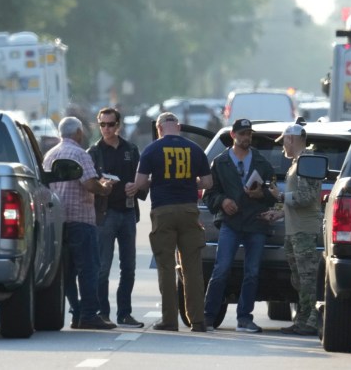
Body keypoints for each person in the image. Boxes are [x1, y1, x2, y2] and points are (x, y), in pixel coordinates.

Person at [129, 112, 213, 332]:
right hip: (189, 211)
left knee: (166, 266)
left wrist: (158, 182)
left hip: (163, 211)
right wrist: (187, 183)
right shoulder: (195, 149)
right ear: (178, 126)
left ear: (159, 128)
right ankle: (197, 320)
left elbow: (139, 183)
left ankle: (169, 320)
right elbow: (207, 182)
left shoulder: (151, 150)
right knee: (192, 267)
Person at [202, 118, 277, 333]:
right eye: (242, 134)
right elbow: (209, 193)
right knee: (221, 269)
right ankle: (208, 316)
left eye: (249, 134)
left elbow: (273, 195)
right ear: (233, 136)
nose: (246, 138)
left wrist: (260, 193)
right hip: (231, 223)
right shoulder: (220, 161)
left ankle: (244, 318)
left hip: (256, 223)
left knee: (252, 272)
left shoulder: (262, 163)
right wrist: (223, 202)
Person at [43, 116, 117, 330]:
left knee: (67, 271)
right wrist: (105, 188)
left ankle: (76, 311)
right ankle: (89, 314)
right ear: (77, 133)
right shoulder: (80, 154)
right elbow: (90, 184)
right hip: (81, 220)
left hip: (58, 221)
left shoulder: (50, 155)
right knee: (89, 269)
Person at [87, 107, 147, 328]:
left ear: (118, 125)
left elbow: (143, 179)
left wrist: (137, 187)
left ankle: (125, 313)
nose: (107, 129)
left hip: (128, 212)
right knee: (102, 267)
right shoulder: (94, 152)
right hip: (105, 214)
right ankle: (103, 313)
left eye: (110, 124)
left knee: (128, 267)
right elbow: (86, 183)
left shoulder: (130, 149)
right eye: (102, 125)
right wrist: (101, 186)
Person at [264, 122, 322, 336]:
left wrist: (279, 197)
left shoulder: (307, 162)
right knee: (299, 278)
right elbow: (298, 198)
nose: (283, 148)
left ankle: (311, 320)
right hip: (295, 230)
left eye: (284, 142)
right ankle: (303, 318)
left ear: (291, 139)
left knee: (307, 278)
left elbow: (306, 198)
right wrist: (279, 213)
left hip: (304, 231)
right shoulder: (298, 163)